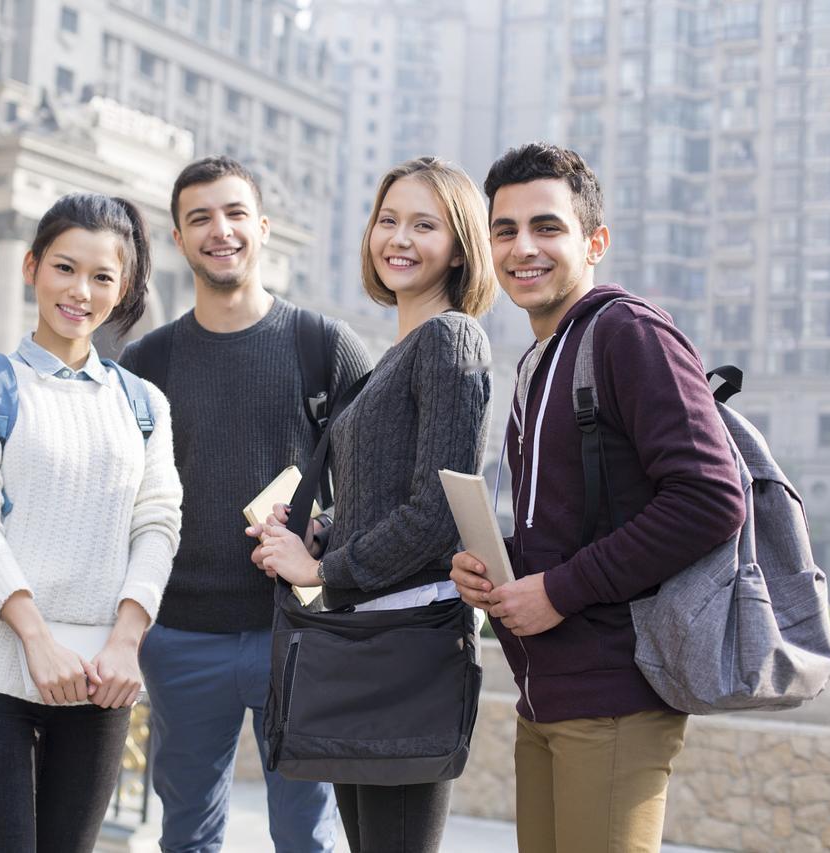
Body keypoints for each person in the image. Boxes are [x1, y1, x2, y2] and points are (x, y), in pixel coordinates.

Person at [450, 142, 746, 853]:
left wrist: (559, 589)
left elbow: (709, 497)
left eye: (547, 227)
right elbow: (575, 521)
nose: (524, 247)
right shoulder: (541, 359)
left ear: (595, 242)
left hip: (615, 699)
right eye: (505, 230)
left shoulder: (629, 334)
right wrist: (499, 568)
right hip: (546, 694)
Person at [118, 156, 368, 853]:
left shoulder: (325, 347)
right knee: (187, 836)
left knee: (307, 837)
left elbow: (378, 485)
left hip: (299, 631)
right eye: (199, 218)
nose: (219, 230)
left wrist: (321, 532)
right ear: (178, 238)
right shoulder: (146, 363)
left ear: (263, 227)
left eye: (234, 214)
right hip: (180, 637)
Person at [251, 157, 497, 852]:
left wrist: (320, 569)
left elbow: (437, 514)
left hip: (408, 642)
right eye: (388, 220)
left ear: (460, 248)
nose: (399, 238)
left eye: (425, 224)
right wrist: (319, 530)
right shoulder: (398, 353)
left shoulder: (452, 339)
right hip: (366, 635)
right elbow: (384, 494)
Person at [0, 192, 182, 853]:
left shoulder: (144, 405)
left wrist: (127, 641)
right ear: (32, 267)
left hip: (103, 678)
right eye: (65, 268)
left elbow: (158, 523)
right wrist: (36, 640)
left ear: (122, 288)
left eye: (102, 277)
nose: (80, 291)